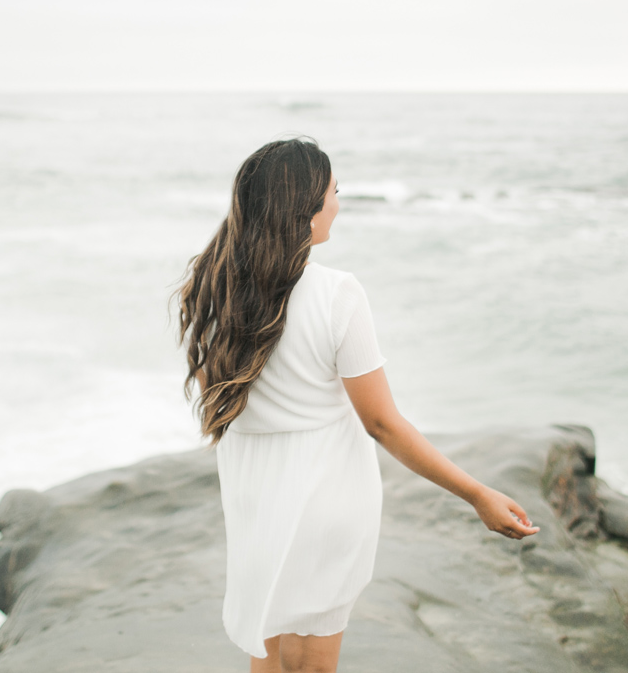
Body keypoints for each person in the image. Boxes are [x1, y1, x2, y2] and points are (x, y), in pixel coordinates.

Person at [178, 138, 538, 673]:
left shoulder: (213, 287)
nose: (339, 205)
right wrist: (477, 494)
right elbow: (381, 424)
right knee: (315, 663)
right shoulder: (335, 293)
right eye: (334, 193)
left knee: (268, 649)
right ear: (305, 208)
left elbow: (226, 394)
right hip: (325, 493)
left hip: (254, 494)